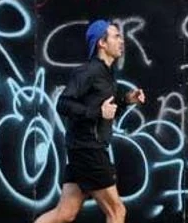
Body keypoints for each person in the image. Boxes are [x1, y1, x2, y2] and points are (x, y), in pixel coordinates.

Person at [35, 19, 146, 223]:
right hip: (89, 150)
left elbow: (106, 113)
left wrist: (127, 100)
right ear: (101, 43)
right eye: (116, 36)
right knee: (117, 211)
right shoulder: (89, 72)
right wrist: (96, 111)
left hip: (83, 150)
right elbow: (63, 104)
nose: (121, 41)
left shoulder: (106, 74)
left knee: (64, 214)